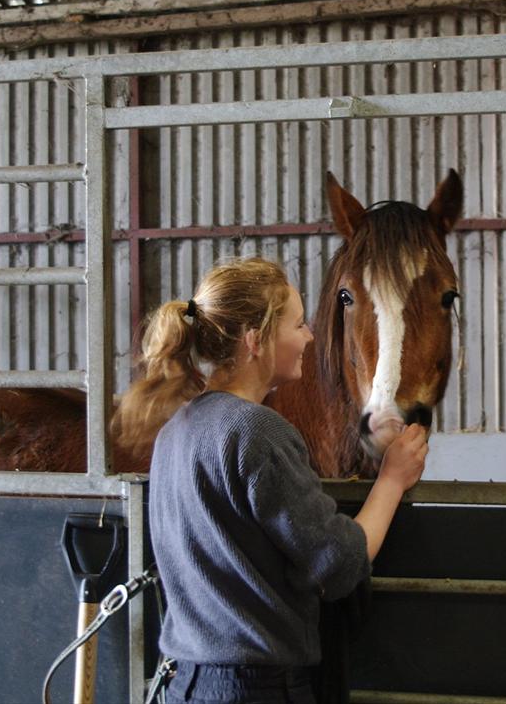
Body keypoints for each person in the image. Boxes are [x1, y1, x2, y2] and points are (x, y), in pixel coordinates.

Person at [145, 257, 429, 704]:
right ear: (255, 340)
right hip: (256, 688)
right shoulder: (257, 431)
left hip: (184, 685)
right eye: (298, 325)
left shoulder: (174, 431)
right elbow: (339, 564)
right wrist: (392, 479)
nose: (309, 338)